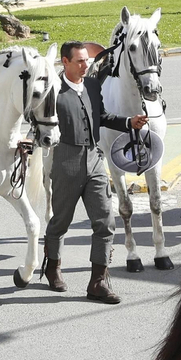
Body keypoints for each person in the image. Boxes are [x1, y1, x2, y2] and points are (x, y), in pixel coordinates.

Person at [39, 41, 146, 303]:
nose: (86, 65)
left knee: (105, 222)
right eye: (79, 61)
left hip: (94, 159)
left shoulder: (92, 85)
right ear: (65, 62)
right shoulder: (53, 90)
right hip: (65, 159)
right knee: (60, 221)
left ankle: (97, 282)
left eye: (87, 60)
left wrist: (128, 123)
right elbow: (39, 122)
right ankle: (52, 266)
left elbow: (103, 117)